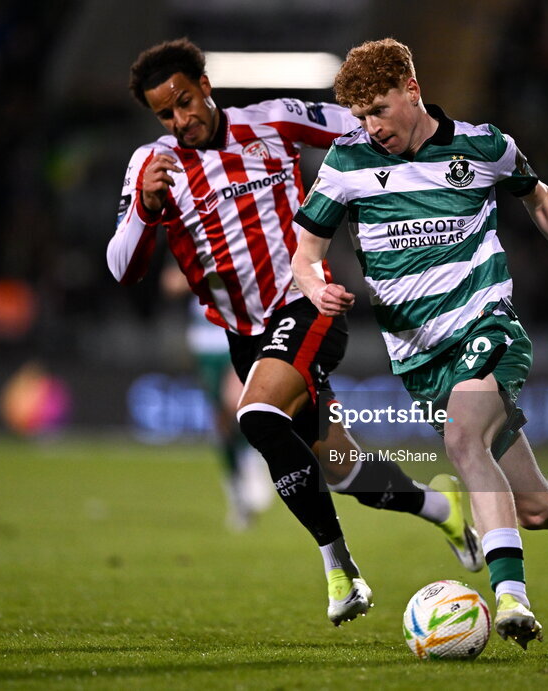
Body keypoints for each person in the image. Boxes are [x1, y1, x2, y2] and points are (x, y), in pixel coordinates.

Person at [292, 38, 548, 649]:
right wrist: (316, 288)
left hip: (486, 326)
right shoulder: (346, 163)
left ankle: (511, 599)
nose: (371, 127)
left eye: (379, 110)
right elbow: (305, 253)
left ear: (411, 90)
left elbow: (539, 197)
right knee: (536, 507)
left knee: (462, 438)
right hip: (419, 359)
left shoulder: (483, 145)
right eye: (361, 117)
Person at [107, 38, 482, 627]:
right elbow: (121, 268)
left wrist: (424, 170)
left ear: (205, 86)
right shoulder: (152, 165)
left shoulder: (274, 121)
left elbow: (363, 128)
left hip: (307, 305)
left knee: (255, 415)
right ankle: (443, 508)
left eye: (185, 101)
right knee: (341, 470)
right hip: (243, 335)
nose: (181, 120)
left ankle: (342, 571)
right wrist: (148, 210)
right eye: (165, 113)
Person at [162, 267, 273, 531]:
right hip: (204, 343)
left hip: (237, 336)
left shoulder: (240, 235)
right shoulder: (192, 239)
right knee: (221, 423)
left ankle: (252, 462)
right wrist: (199, 275)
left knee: (237, 406)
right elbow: (170, 284)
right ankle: (236, 493)